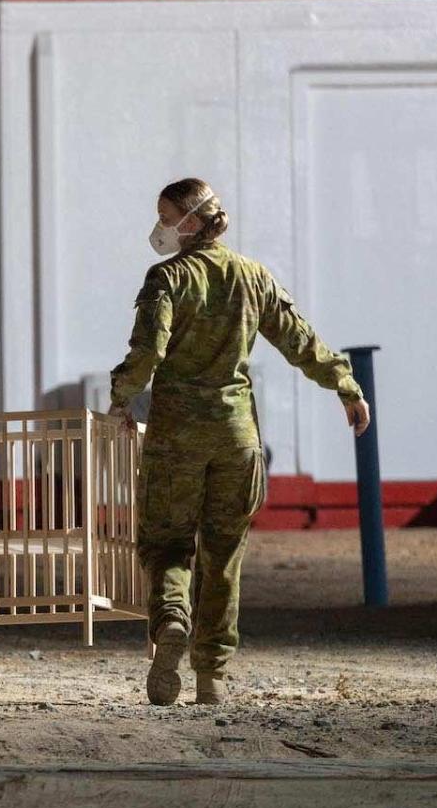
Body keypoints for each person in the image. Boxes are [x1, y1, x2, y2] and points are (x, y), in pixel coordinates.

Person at [110, 178, 371, 707]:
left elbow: (146, 352)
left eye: (166, 216)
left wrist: (121, 396)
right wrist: (346, 386)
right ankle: (212, 677)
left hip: (177, 438)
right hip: (237, 439)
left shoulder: (167, 278)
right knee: (224, 555)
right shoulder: (253, 277)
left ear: (188, 222)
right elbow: (301, 341)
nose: (161, 226)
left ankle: (170, 625)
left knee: (166, 545)